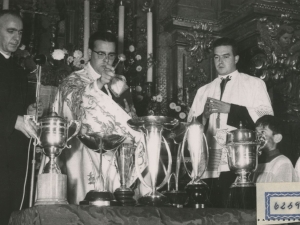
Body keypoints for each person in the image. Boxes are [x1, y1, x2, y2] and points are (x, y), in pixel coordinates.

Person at [54, 31, 146, 205]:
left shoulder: (119, 83)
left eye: (111, 55)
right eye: (101, 54)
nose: (106, 60)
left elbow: (131, 118)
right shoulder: (73, 80)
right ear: (89, 53)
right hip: (86, 152)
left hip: (118, 154)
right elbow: (74, 104)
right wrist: (99, 84)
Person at [188, 37, 274, 207]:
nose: (220, 61)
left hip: (240, 162)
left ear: (236, 58)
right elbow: (190, 129)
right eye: (216, 57)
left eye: (226, 56)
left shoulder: (254, 84)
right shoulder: (203, 91)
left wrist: (232, 110)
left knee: (237, 212)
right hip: (210, 165)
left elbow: (266, 119)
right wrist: (204, 117)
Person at [0, 10, 40, 224]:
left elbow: (16, 106)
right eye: (10, 31)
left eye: (20, 33)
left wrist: (29, 111)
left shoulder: (18, 71)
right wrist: (14, 120)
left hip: (13, 156)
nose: (16, 38)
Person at [252, 115, 296, 183]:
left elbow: (279, 192)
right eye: (256, 133)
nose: (257, 137)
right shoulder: (256, 163)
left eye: (263, 132)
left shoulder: (283, 162)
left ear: (277, 138)